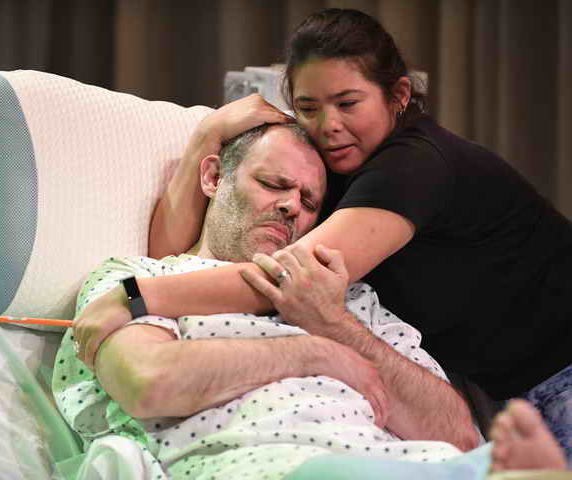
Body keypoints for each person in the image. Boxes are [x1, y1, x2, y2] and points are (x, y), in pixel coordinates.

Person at [74, 8, 572, 469]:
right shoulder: (333, 170)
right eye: (308, 107)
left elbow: (284, 279)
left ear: (398, 96)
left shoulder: (413, 166)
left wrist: (135, 297)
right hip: (502, 385)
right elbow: (168, 256)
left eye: (348, 103)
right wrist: (208, 133)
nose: (328, 126)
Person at [54, 123, 482, 479]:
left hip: (409, 464)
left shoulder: (349, 300)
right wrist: (315, 354)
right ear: (213, 177)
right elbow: (148, 383)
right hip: (269, 465)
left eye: (309, 202)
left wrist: (334, 325)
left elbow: (459, 435)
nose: (292, 205)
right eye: (273, 184)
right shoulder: (139, 282)